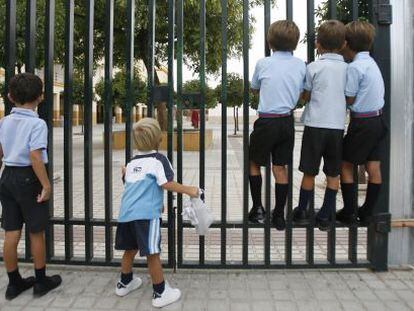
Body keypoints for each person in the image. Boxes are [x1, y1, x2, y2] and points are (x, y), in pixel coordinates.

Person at [114, 117, 198, 308]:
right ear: (158, 138)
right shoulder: (159, 160)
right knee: (153, 254)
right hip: (146, 217)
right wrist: (190, 189)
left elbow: (134, 186)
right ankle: (160, 292)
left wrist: (157, 203)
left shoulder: (132, 162)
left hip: (126, 214)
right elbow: (165, 183)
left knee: (130, 250)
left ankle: (124, 283)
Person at [0, 73, 62, 300]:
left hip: (8, 176)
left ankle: (14, 282)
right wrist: (46, 185)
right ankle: (41, 280)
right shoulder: (37, 124)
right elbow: (35, 156)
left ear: (10, 96)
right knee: (36, 232)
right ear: (41, 97)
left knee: (11, 232)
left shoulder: (4, 122)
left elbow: (0, 152)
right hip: (29, 178)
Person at [248, 20, 306, 230]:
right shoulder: (301, 65)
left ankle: (257, 208)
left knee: (254, 162)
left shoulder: (263, 63)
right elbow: (302, 92)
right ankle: (279, 214)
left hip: (267, 121)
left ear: (270, 42)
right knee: (280, 167)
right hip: (287, 122)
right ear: (295, 43)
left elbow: (255, 87)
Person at [292, 20, 348, 231]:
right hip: (336, 127)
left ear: (317, 44)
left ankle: (303, 211)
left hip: (315, 125)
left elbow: (305, 95)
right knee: (333, 173)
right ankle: (325, 215)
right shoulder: (347, 69)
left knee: (309, 171)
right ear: (343, 44)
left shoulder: (313, 67)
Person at [336, 21, 387, 225]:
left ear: (347, 43)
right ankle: (367, 211)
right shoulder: (372, 63)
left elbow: (349, 98)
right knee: (373, 167)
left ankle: (349, 210)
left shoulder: (355, 68)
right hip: (378, 121)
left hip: (362, 123)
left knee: (345, 164)